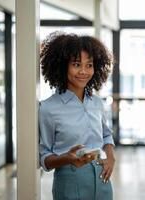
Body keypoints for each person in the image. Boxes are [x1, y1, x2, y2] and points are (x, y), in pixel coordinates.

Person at [39, 32, 115, 200]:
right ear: (62, 66)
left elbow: (106, 135)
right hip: (69, 182)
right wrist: (67, 158)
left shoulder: (97, 103)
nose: (84, 71)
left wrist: (110, 158)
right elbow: (44, 156)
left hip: (103, 178)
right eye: (76, 64)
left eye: (89, 65)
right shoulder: (48, 108)